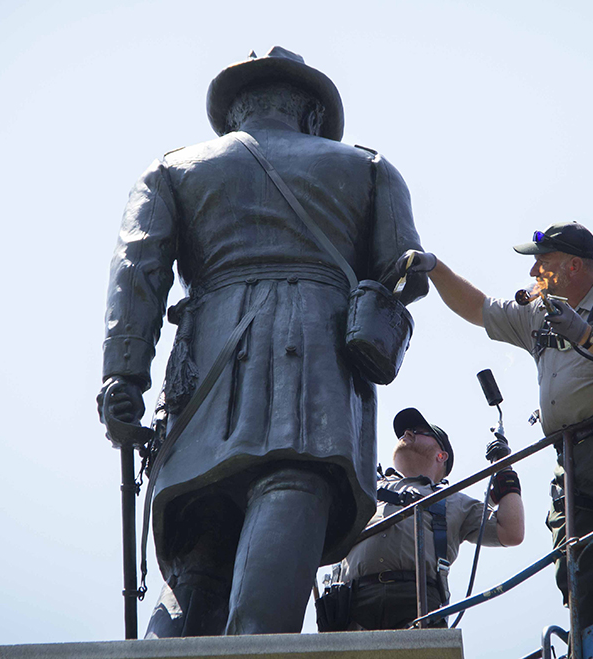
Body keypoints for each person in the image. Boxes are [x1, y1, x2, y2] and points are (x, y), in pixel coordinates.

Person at [97, 47, 428, 637]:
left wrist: (122, 378)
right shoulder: (369, 167)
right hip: (317, 379)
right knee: (293, 485)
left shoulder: (173, 169)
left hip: (200, 385)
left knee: (196, 561)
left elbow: (136, 273)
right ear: (311, 115)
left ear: (234, 113)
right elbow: (405, 275)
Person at [400, 221, 593, 629]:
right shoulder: (539, 315)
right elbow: (478, 308)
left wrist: (586, 335)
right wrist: (435, 267)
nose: (533, 273)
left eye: (542, 263)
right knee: (577, 566)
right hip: (572, 458)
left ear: (574, 266)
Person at [323, 407, 525, 630]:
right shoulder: (362, 486)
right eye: (405, 431)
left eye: (418, 430)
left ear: (442, 455)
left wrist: (504, 468)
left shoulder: (455, 501)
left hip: (417, 603)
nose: (407, 433)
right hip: (351, 604)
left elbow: (511, 531)